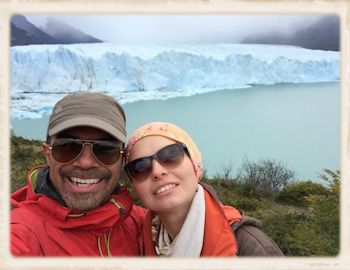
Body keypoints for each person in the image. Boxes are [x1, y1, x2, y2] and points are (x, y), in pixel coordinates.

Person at [11, 92, 145, 256]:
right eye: (67, 147)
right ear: (48, 154)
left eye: (105, 150)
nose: (85, 163)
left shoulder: (142, 223)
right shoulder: (22, 233)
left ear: (122, 159)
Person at [124, 122, 284, 257]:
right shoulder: (139, 243)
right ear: (134, 186)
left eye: (170, 156)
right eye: (140, 167)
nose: (157, 171)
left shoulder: (252, 250)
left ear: (195, 164)